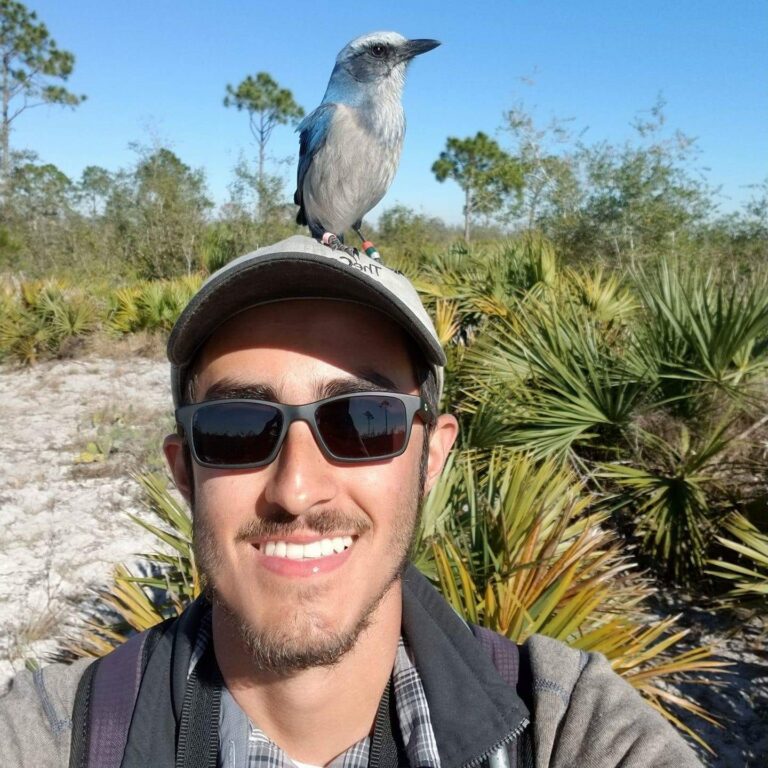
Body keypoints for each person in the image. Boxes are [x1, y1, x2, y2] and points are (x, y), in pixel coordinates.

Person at [0, 235, 703, 767]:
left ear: (431, 457)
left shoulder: (564, 724)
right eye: (238, 429)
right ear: (185, 473)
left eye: (363, 423)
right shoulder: (61, 732)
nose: (297, 490)